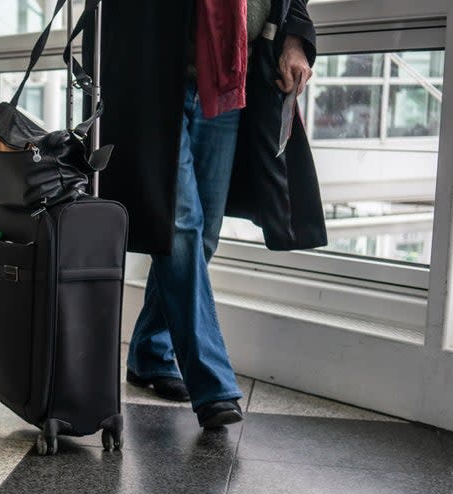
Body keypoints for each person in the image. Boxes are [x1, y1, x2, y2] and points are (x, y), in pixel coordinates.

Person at [101, 0, 327, 428]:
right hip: (153, 84)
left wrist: (295, 41)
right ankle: (213, 385)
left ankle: (151, 351)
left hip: (228, 85)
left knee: (202, 236)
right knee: (181, 226)